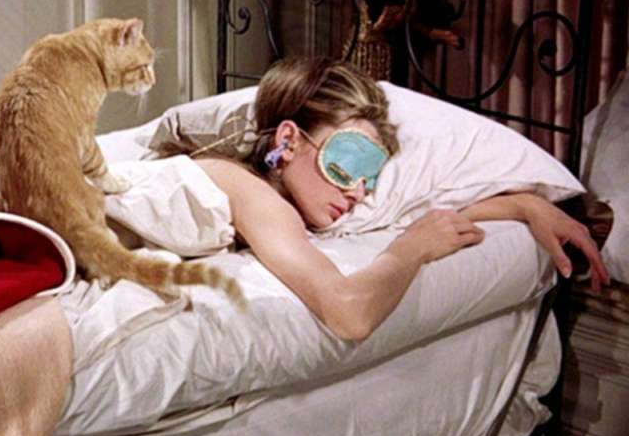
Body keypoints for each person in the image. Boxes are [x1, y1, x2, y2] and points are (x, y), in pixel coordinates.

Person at [195, 57, 609, 341]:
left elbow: (417, 209)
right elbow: (349, 315)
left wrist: (525, 205)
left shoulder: (278, 200)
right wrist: (411, 250)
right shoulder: (249, 191)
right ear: (288, 140)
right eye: (348, 163)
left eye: (370, 178)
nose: (358, 192)